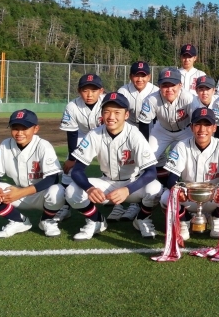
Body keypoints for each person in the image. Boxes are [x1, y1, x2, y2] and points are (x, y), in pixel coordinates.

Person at [66, 92, 162, 240]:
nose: (111, 117)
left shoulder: (135, 135)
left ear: (126, 115)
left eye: (117, 112)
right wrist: (89, 188)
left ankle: (142, 219)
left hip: (132, 184)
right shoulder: (94, 134)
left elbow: (151, 172)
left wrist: (127, 189)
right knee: (72, 190)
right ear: (102, 114)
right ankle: (96, 220)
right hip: (106, 184)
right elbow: (77, 170)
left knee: (155, 188)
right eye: (107, 111)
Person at [0, 109, 65, 238]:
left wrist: (21, 192)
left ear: (36, 129)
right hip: (17, 193)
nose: (19, 133)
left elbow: (52, 179)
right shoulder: (5, 144)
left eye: (24, 128)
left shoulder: (43, 146)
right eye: (15, 128)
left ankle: (47, 220)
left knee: (58, 191)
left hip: (41, 195)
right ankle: (18, 221)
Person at [160, 107, 219, 240]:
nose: (202, 129)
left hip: (213, 198)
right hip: (188, 198)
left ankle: (216, 218)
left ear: (214, 128)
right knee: (166, 197)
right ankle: (184, 221)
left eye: (207, 125)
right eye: (198, 124)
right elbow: (171, 178)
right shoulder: (182, 146)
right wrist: (178, 192)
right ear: (191, 127)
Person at [113, 61, 159, 222]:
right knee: (123, 163)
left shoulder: (155, 90)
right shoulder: (123, 91)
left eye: (143, 75)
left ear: (149, 76)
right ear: (130, 76)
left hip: (151, 130)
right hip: (129, 130)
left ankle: (136, 202)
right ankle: (118, 204)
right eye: (136, 75)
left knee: (146, 163)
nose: (140, 79)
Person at [56, 73, 105, 222]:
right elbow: (71, 133)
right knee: (68, 171)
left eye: (94, 90)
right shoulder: (72, 106)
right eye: (85, 90)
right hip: (81, 136)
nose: (89, 94)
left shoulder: (107, 102)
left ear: (101, 91)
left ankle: (119, 205)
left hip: (105, 135)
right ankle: (65, 206)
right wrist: (72, 158)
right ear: (79, 91)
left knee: (114, 167)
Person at [138, 68, 194, 184]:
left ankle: (184, 184)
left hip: (186, 130)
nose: (169, 89)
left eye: (172, 85)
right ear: (159, 86)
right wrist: (145, 146)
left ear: (180, 85)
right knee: (147, 158)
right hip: (162, 130)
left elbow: (197, 120)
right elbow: (144, 124)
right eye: (165, 85)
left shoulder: (189, 98)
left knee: (189, 158)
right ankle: (154, 186)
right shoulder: (152, 99)